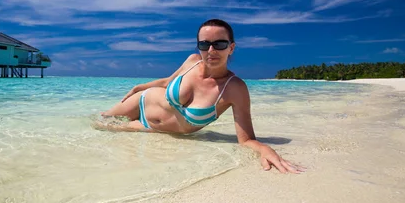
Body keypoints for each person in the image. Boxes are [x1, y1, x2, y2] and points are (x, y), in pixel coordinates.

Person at [101, 18, 304, 174]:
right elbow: (166, 82)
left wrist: (265, 150)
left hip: (149, 128)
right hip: (143, 102)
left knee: (106, 132)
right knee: (97, 124)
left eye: (220, 44)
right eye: (205, 44)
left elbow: (246, 139)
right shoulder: (192, 61)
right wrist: (139, 87)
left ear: (231, 48)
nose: (211, 50)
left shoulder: (234, 89)